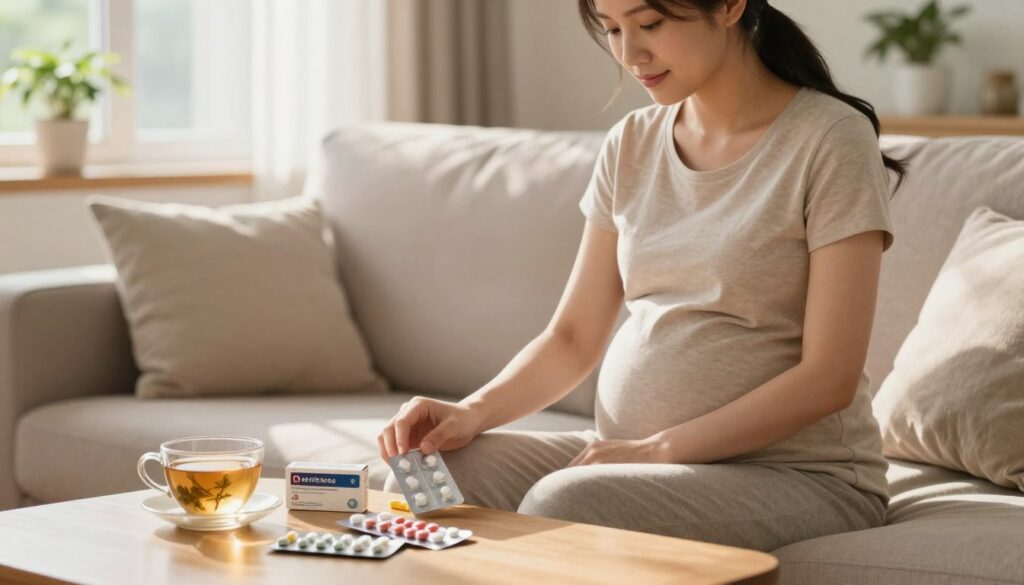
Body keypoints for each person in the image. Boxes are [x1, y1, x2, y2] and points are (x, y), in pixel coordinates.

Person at [378, 0, 907, 552]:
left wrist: (658, 449)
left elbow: (829, 377)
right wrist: (471, 412)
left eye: (650, 24)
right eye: (612, 29)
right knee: (426, 477)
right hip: (633, 455)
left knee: (566, 504)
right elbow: (573, 337)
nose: (630, 54)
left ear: (729, 7)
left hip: (794, 474)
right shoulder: (631, 142)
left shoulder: (830, 139)